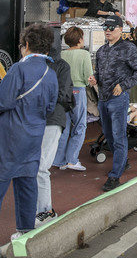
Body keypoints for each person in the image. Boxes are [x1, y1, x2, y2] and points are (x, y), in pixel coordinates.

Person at [0, 24, 58, 258]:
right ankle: (25, 233)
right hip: (33, 136)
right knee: (27, 186)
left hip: (9, 137)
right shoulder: (51, 72)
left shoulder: (18, 69)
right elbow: (50, 107)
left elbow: (3, 103)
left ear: (26, 45)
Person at [89, 15, 137, 192]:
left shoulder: (128, 48)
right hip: (103, 99)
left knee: (118, 134)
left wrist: (123, 86)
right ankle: (123, 161)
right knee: (108, 133)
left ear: (121, 29)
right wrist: (95, 78)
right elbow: (99, 72)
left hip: (119, 100)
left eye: (111, 27)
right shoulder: (101, 51)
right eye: (105, 27)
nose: (107, 30)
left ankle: (115, 175)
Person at [36, 39, 74, 227]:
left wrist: (39, 95)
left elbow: (65, 95)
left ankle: (46, 210)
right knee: (33, 166)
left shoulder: (60, 66)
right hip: (33, 120)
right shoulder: (27, 65)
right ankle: (37, 208)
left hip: (52, 119)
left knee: (40, 166)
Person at [53, 26, 94, 172]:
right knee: (80, 125)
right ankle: (72, 159)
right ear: (79, 39)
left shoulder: (61, 54)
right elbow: (88, 77)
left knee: (64, 126)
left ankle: (59, 160)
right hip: (78, 91)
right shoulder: (84, 54)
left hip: (63, 92)